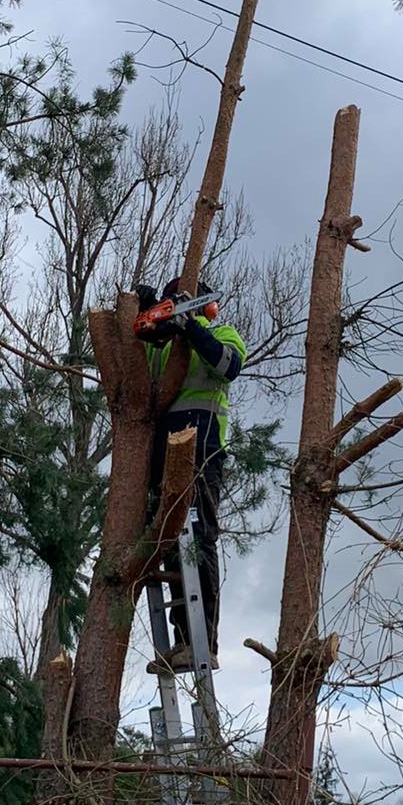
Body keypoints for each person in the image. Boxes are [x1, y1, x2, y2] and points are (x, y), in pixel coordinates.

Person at [136, 276, 245, 668]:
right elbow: (138, 377)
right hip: (162, 452)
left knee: (199, 540)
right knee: (167, 540)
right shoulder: (161, 351)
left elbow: (227, 365)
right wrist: (141, 311)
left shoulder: (222, 333)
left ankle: (201, 642)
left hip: (203, 448)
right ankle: (179, 638)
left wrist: (191, 326)